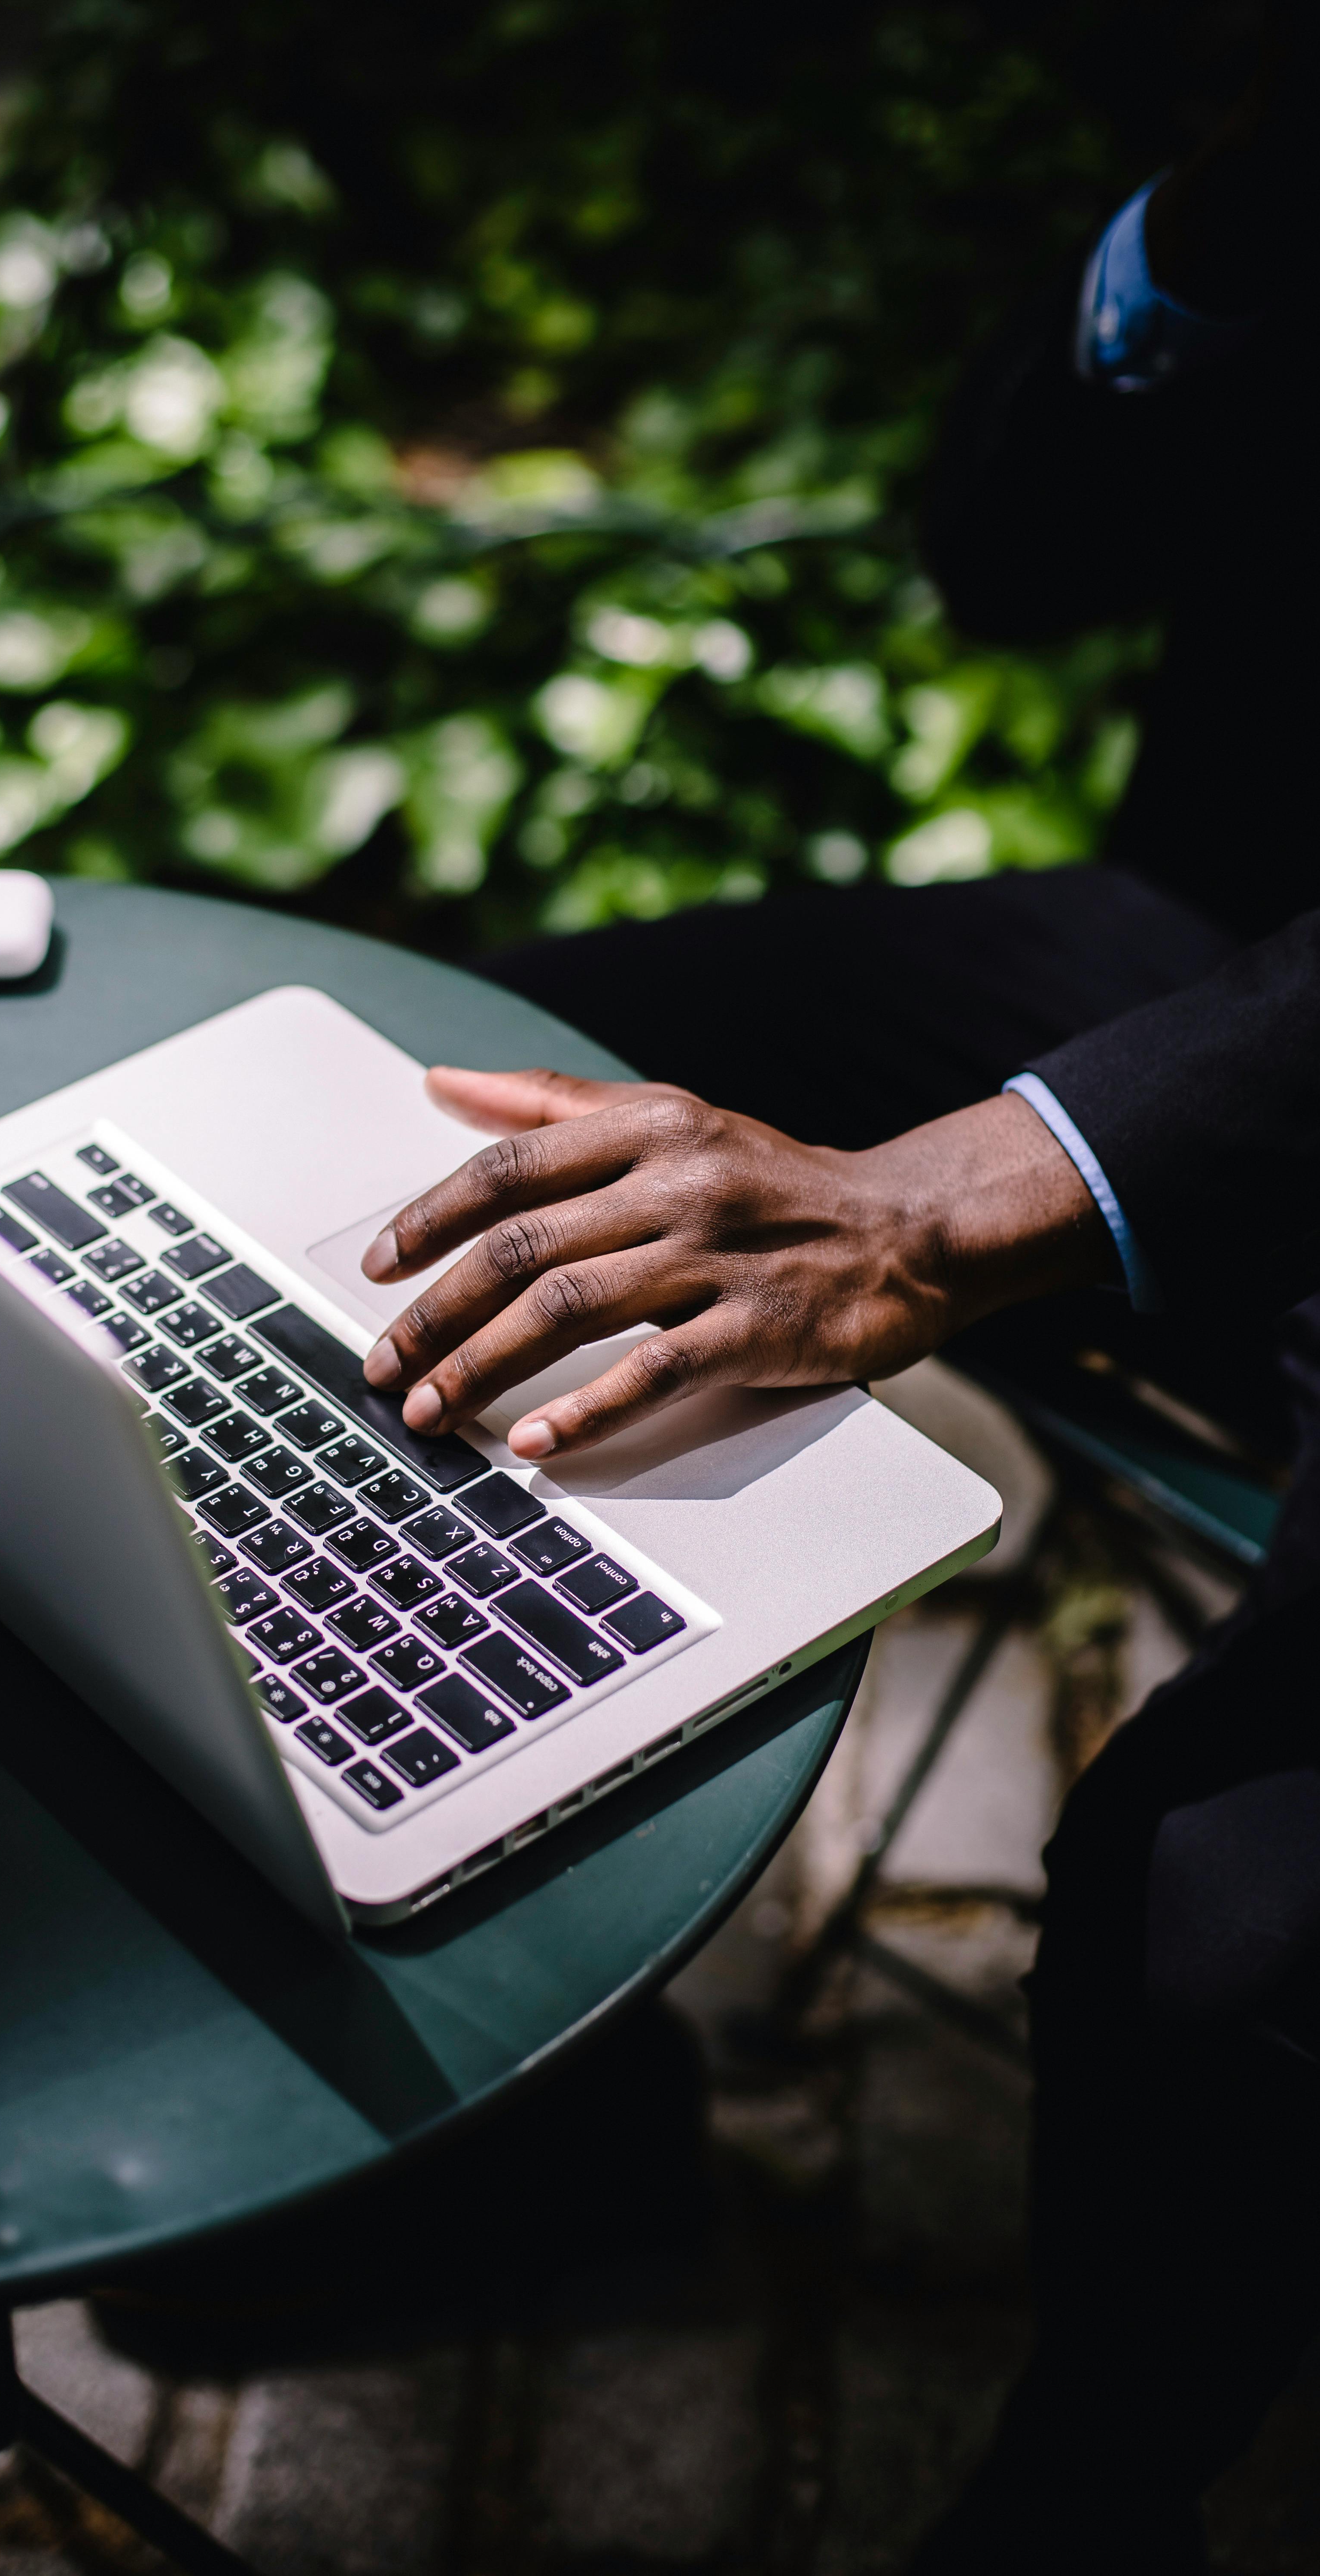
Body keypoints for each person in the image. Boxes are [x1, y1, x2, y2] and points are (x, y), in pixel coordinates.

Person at [350, 22, 1319, 2564]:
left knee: (1210, 1918)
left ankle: (1087, 2493)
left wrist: (962, 1195)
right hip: (1227, 952)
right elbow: (1000, 559)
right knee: (447, 1137)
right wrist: (1226, 217)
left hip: (1204, 1074)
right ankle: (539, 2119)